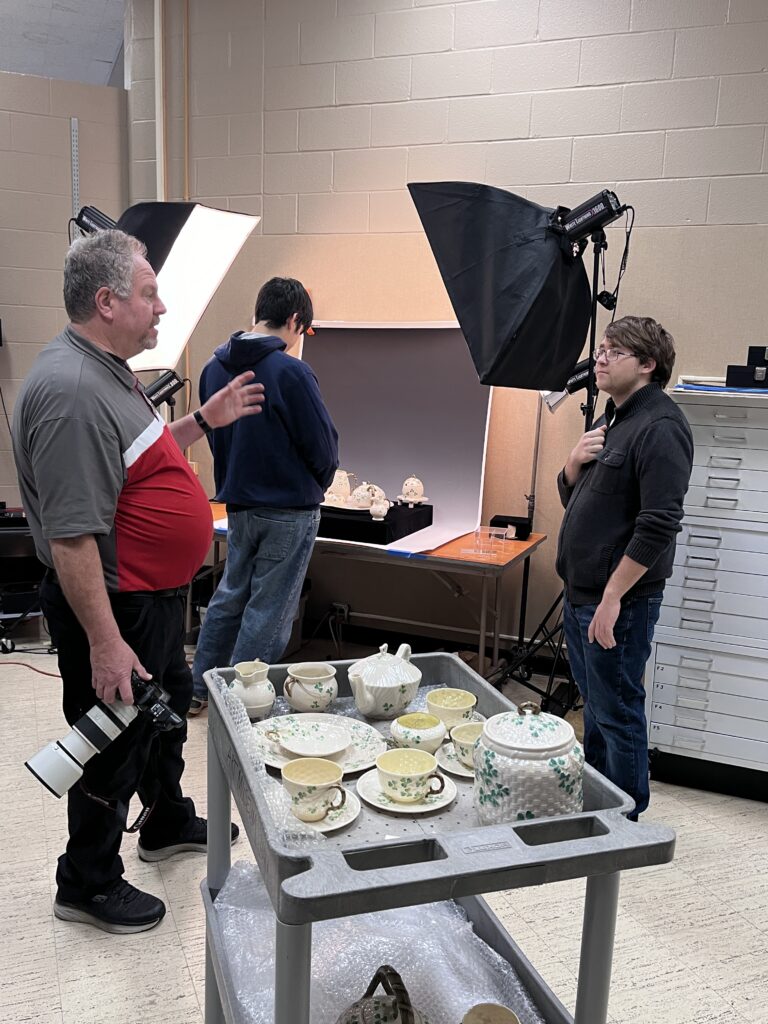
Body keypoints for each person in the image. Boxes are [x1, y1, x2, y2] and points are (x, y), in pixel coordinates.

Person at [12, 229, 265, 933]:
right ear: (107, 301)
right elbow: (71, 538)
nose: (161, 306)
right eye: (149, 293)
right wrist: (104, 643)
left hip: (149, 600)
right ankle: (86, 882)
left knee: (165, 713)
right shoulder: (70, 393)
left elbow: (137, 462)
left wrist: (199, 423)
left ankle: (164, 819)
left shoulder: (106, 369)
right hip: (113, 610)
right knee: (112, 742)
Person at [555, 316, 693, 819]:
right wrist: (572, 464)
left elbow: (658, 525)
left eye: (614, 351)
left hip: (618, 600)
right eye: (602, 350)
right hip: (582, 591)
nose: (601, 358)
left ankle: (626, 817)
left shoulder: (661, 427)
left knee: (617, 710)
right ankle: (597, 803)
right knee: (594, 708)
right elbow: (579, 499)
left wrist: (612, 598)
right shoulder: (611, 420)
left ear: (648, 364)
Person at [190, 277, 338, 713]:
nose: (298, 341)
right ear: (294, 320)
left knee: (229, 596)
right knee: (268, 613)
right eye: (301, 331)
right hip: (288, 512)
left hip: (238, 507)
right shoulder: (291, 371)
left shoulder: (213, 369)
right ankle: (239, 703)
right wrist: (320, 482)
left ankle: (200, 690)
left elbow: (216, 438)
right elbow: (322, 447)